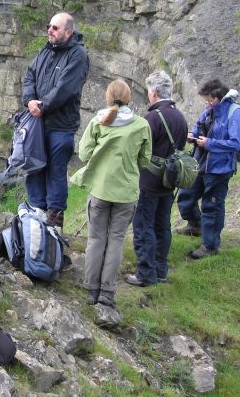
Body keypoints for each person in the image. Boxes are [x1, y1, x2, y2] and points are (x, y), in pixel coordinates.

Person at [70, 78, 151, 308]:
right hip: (126, 192)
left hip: (100, 189)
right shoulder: (141, 125)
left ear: (107, 97)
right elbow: (145, 160)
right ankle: (107, 291)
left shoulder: (98, 121)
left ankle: (91, 289)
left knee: (96, 239)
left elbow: (84, 154)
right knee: (116, 240)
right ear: (129, 98)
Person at [21, 12, 89, 230]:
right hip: (38, 125)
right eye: (49, 26)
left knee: (56, 172)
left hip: (61, 127)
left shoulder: (78, 56)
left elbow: (66, 89)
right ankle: (36, 217)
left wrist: (41, 106)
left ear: (68, 32)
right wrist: (29, 100)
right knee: (34, 167)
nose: (50, 30)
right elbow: (30, 76)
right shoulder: (46, 50)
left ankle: (54, 223)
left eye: (55, 28)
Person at [125, 71, 188, 287]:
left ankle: (145, 273)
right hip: (169, 181)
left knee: (144, 226)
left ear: (153, 92)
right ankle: (161, 270)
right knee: (162, 226)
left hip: (149, 181)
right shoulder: (180, 116)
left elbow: (138, 148)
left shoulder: (152, 118)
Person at [176, 79, 240, 257]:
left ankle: (210, 246)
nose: (206, 103)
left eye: (209, 100)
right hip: (201, 163)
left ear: (218, 97)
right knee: (186, 195)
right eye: (205, 100)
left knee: (212, 205)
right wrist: (192, 136)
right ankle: (195, 225)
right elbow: (198, 127)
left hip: (220, 168)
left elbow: (235, 143)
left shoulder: (235, 113)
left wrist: (209, 143)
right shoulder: (209, 110)